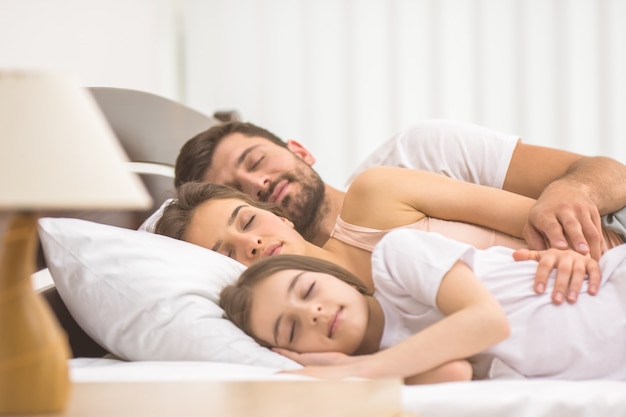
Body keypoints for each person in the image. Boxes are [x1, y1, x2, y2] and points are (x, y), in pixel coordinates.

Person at [218, 229, 626, 384]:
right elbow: (454, 372)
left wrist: (357, 368)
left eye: (308, 291)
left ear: (335, 276)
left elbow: (486, 323)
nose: (313, 313)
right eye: (291, 330)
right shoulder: (392, 364)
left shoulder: (397, 257)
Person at [174, 119, 626, 260]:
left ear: (300, 149)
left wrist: (573, 193)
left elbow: (611, 173)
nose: (257, 184)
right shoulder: (307, 295)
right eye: (235, 192)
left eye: (255, 162)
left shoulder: (415, 155)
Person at [155, 170, 622, 303]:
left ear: (280, 217)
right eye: (226, 253)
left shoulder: (377, 196)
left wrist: (580, 255)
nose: (250, 244)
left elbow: (556, 222)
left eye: (246, 221)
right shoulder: (324, 325)